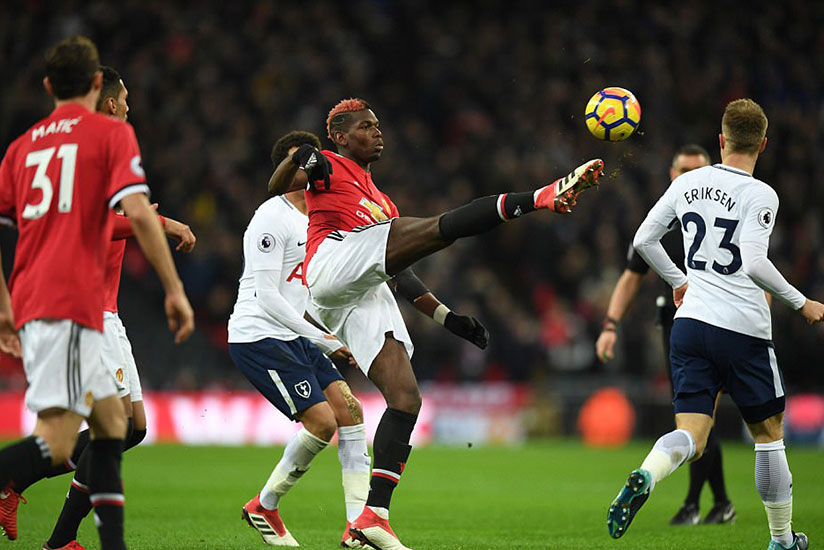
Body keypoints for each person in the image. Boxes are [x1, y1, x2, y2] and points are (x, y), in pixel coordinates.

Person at [269, 98, 605, 550]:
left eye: (378, 124)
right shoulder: (327, 165)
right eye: (366, 127)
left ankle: (372, 518)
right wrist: (297, 160)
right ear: (341, 137)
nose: (377, 132)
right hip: (329, 265)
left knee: (406, 399)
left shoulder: (381, 201)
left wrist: (449, 318)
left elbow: (396, 269)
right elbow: (278, 187)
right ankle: (543, 195)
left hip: (357, 289)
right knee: (443, 227)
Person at [0, 36, 194, 550]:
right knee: (61, 439)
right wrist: (173, 282)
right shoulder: (107, 137)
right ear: (97, 90)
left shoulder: (22, 148)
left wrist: (4, 307)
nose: (128, 108)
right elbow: (126, 214)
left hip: (47, 301)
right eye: (125, 100)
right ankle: (11, 483)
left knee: (117, 426)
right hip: (75, 306)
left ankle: (79, 542)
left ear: (47, 86)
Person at [606, 98, 824, 550]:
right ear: (763, 144)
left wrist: (678, 280)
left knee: (693, 435)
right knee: (768, 435)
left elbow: (644, 239)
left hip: (689, 327)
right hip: (743, 329)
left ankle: (647, 472)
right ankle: (783, 541)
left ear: (720, 141)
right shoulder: (761, 194)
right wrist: (801, 302)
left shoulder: (689, 182)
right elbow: (754, 262)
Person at [228, 130, 371, 548]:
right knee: (323, 422)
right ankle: (265, 505)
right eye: (296, 161)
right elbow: (268, 297)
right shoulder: (270, 217)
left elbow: (313, 292)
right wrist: (324, 340)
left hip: (295, 334)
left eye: (311, 160)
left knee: (351, 411)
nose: (306, 168)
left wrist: (339, 334)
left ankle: (358, 526)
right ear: (282, 169)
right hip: (260, 335)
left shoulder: (320, 218)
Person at [596, 144, 736, 526]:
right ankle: (716, 502)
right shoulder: (659, 223)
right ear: (672, 176)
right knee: (694, 418)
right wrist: (610, 326)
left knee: (697, 418)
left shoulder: (727, 216)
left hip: (722, 323)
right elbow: (630, 277)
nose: (692, 176)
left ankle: (699, 503)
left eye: (699, 170)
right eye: (685, 170)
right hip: (677, 328)